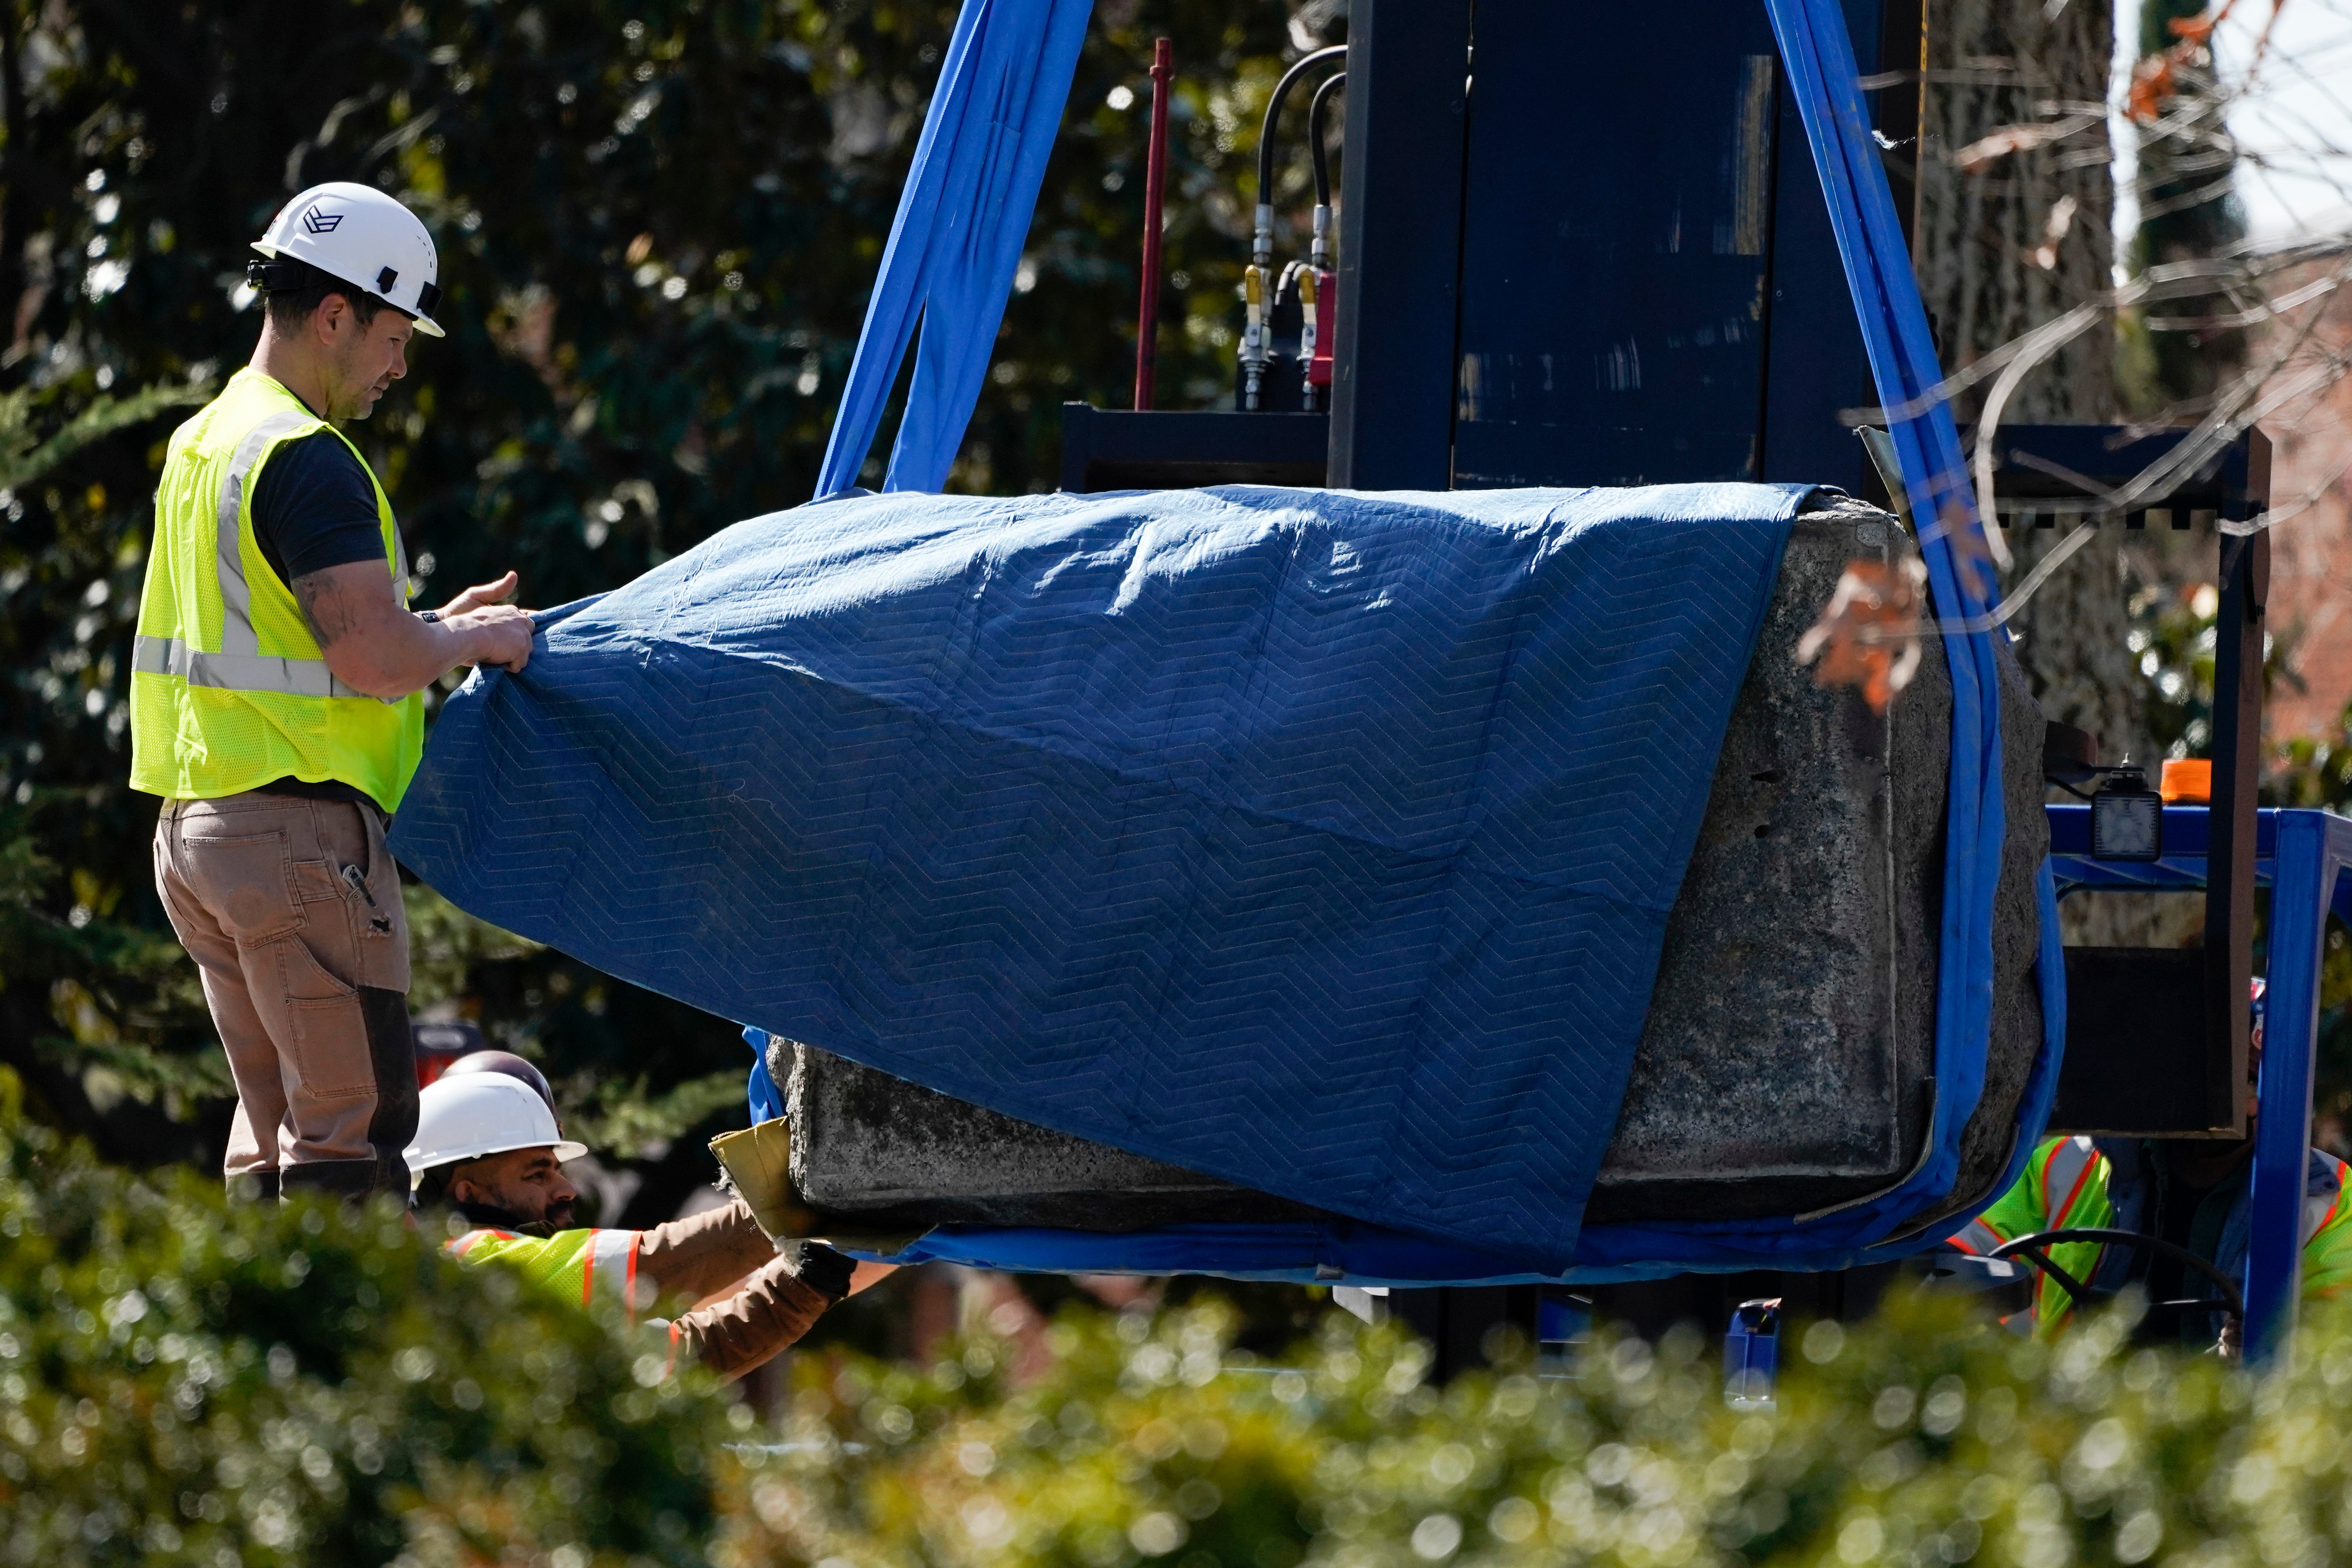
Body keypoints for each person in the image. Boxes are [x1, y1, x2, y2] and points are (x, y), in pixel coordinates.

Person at [131, 181, 536, 1200]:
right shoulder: (308, 459)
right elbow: (366, 657)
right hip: (297, 839)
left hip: (205, 833)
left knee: (274, 1140)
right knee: (354, 1134)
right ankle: (331, 1360)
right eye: (396, 335)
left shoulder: (209, 439)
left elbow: (305, 638)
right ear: (334, 314)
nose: (401, 364)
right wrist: (479, 637)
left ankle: (248, 1343)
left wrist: (433, 627)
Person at [1949, 981, 2352, 1343]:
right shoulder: (2068, 1162)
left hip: (2231, 1418)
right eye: (2217, 1075)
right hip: (2070, 1406)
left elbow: (2333, 1337)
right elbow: (1966, 1251)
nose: (2238, 1101)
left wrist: (2271, 1347)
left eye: (2252, 1079)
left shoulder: (2329, 1201)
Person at [407, 1073, 884, 1378]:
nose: (565, 1189)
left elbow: (698, 1352)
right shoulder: (465, 1259)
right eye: (537, 1173)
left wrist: (809, 1281)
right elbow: (659, 1264)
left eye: (556, 1168)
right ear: (466, 1191)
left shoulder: (520, 1301)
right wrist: (814, 1183)